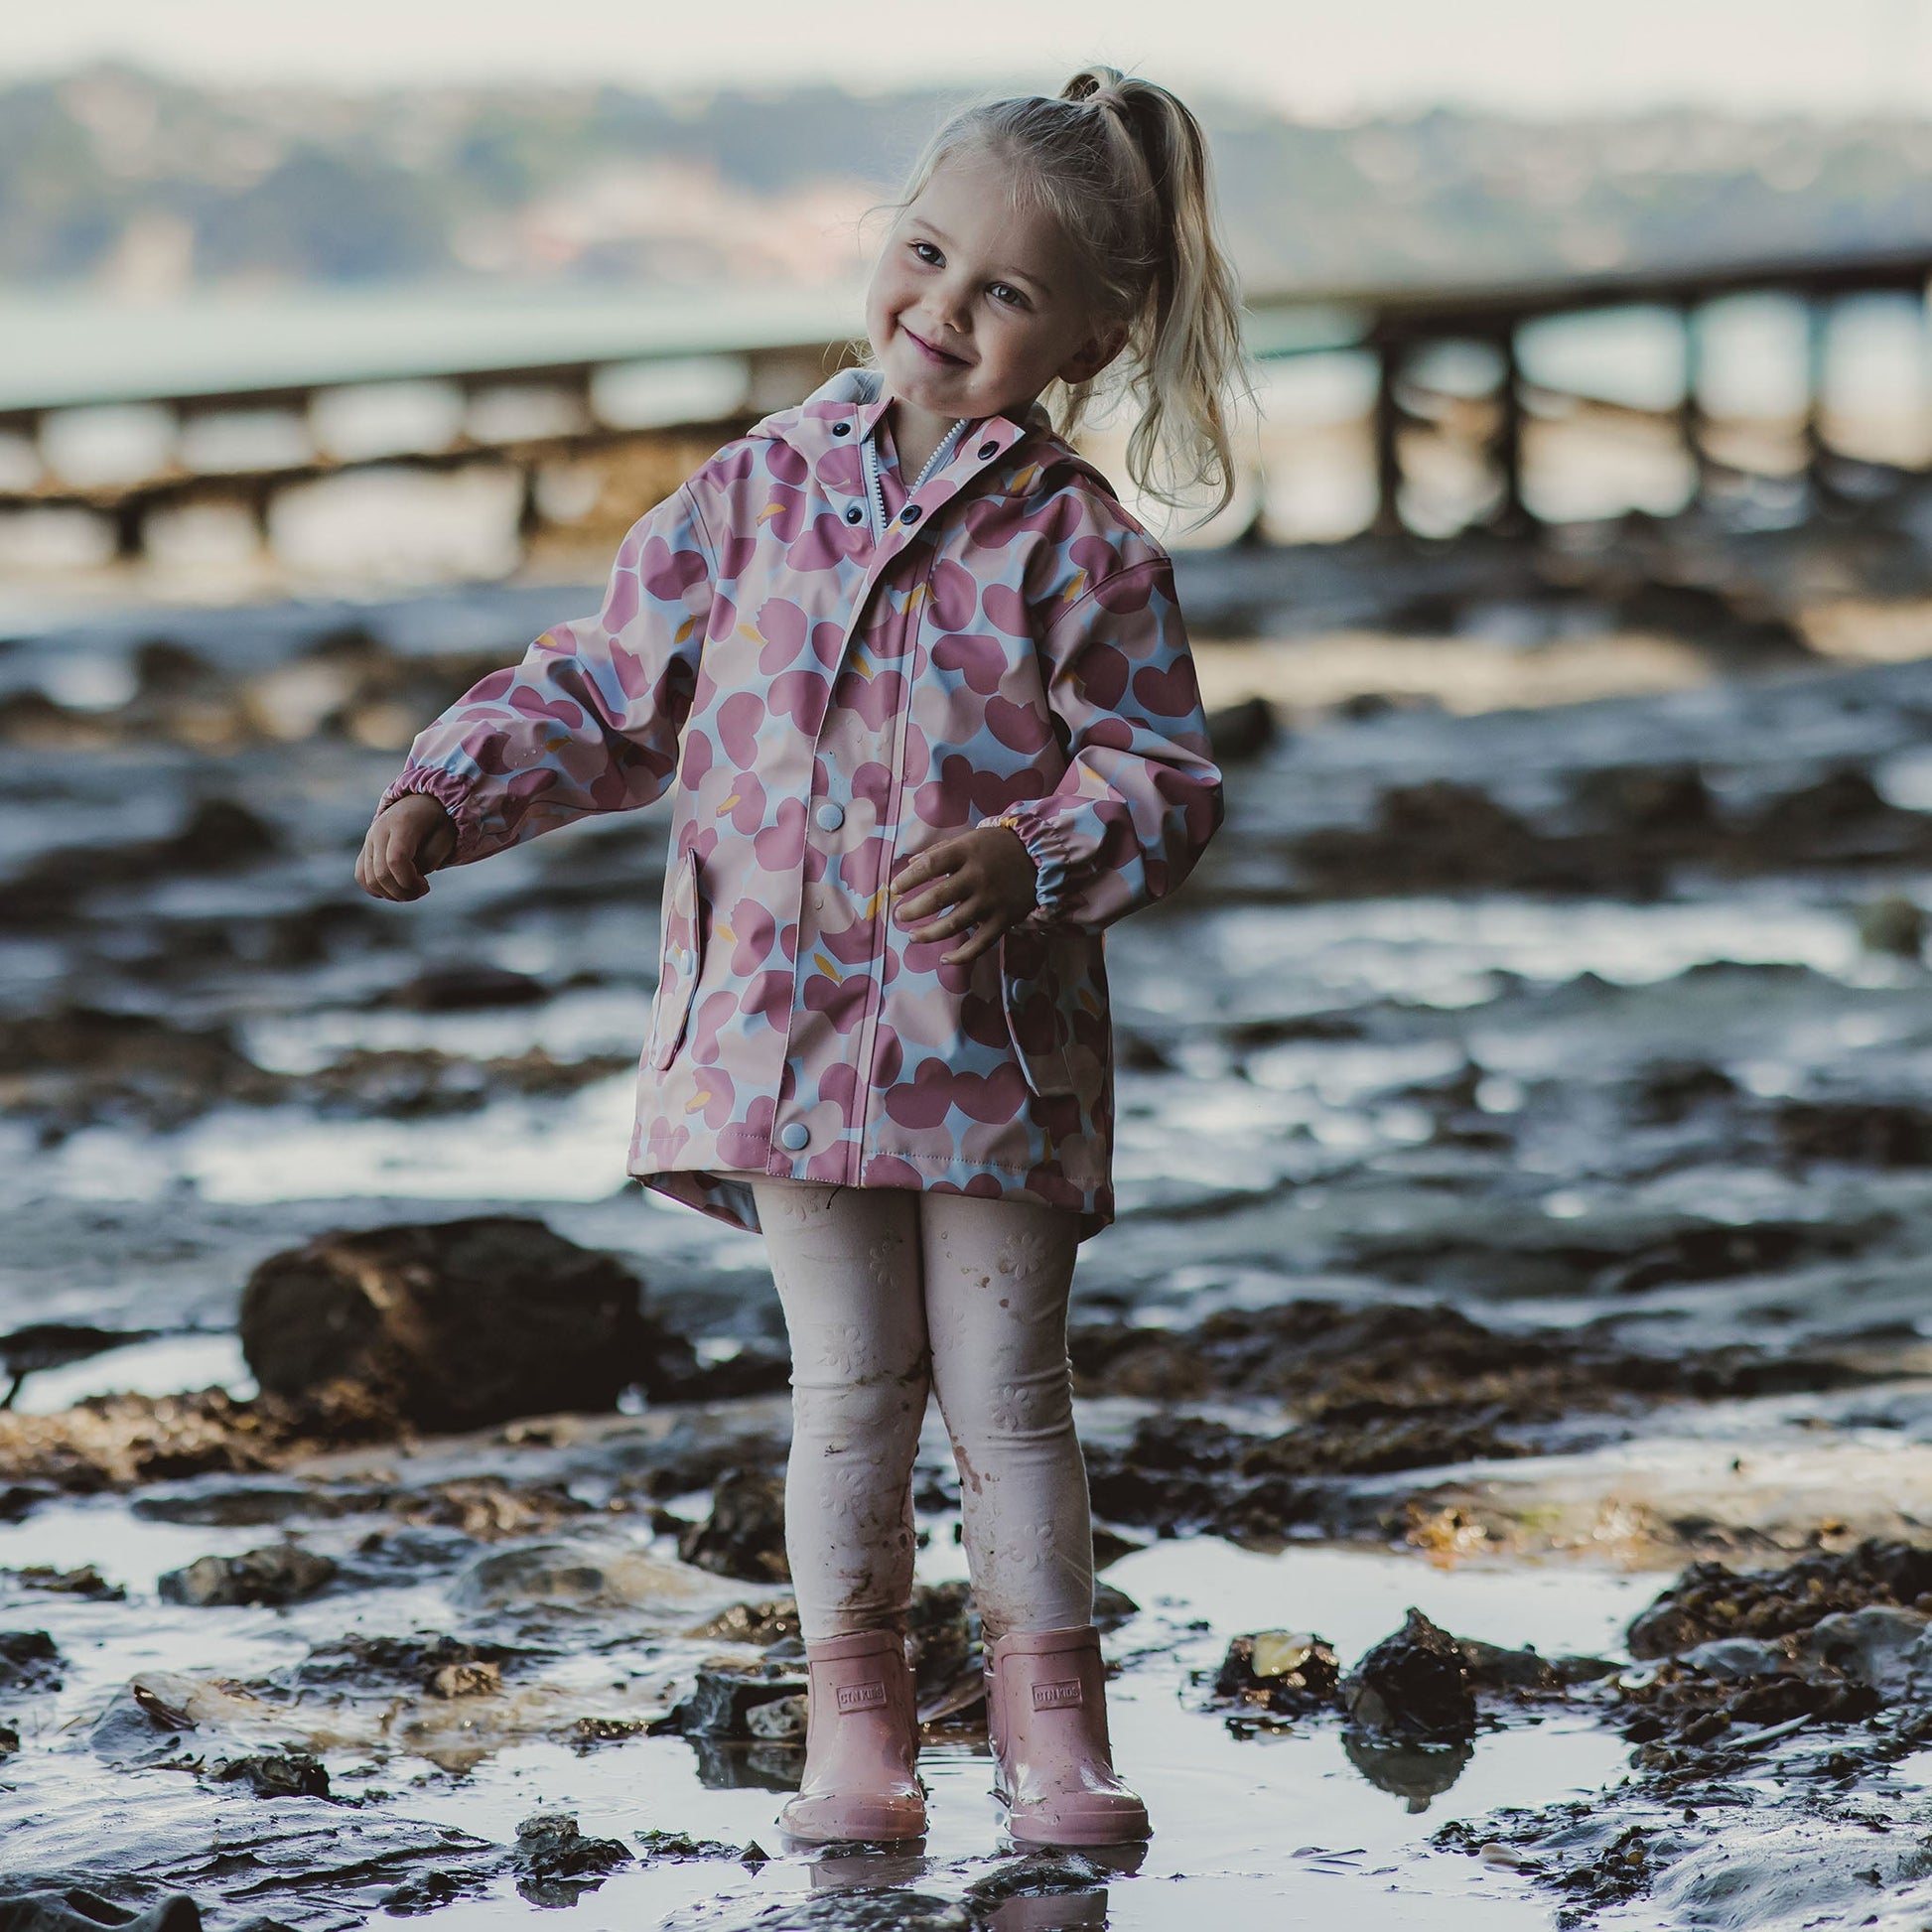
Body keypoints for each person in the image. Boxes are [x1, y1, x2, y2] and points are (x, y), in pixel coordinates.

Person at [356, 65, 1250, 1849]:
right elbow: (609, 688)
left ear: (1089, 336)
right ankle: (859, 1726)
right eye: (925, 255)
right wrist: (449, 786)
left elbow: (1160, 776)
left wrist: (1033, 848)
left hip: (991, 1046)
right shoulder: (752, 492)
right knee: (845, 1389)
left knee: (1010, 1396)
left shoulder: (1079, 543)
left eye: (1005, 292)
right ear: (886, 240)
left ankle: (1052, 1735)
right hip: (773, 1032)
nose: (943, 309)